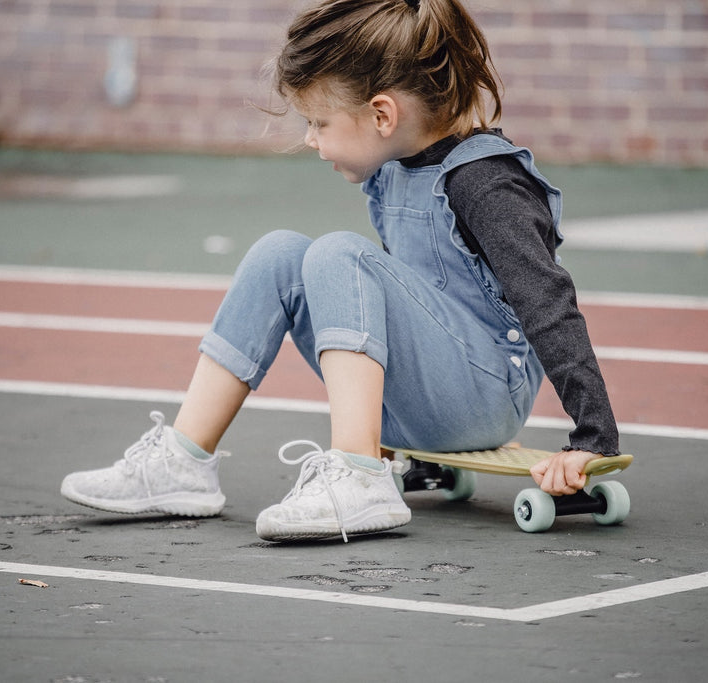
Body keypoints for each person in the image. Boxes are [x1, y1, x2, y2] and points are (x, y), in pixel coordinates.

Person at [60, 0, 620, 543]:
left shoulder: (485, 183)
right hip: (417, 405)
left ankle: (358, 477)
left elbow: (547, 300)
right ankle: (181, 463)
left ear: (382, 114)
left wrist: (591, 437)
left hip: (486, 393)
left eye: (319, 122)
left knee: (338, 252)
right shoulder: (392, 169)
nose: (309, 138)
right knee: (280, 252)